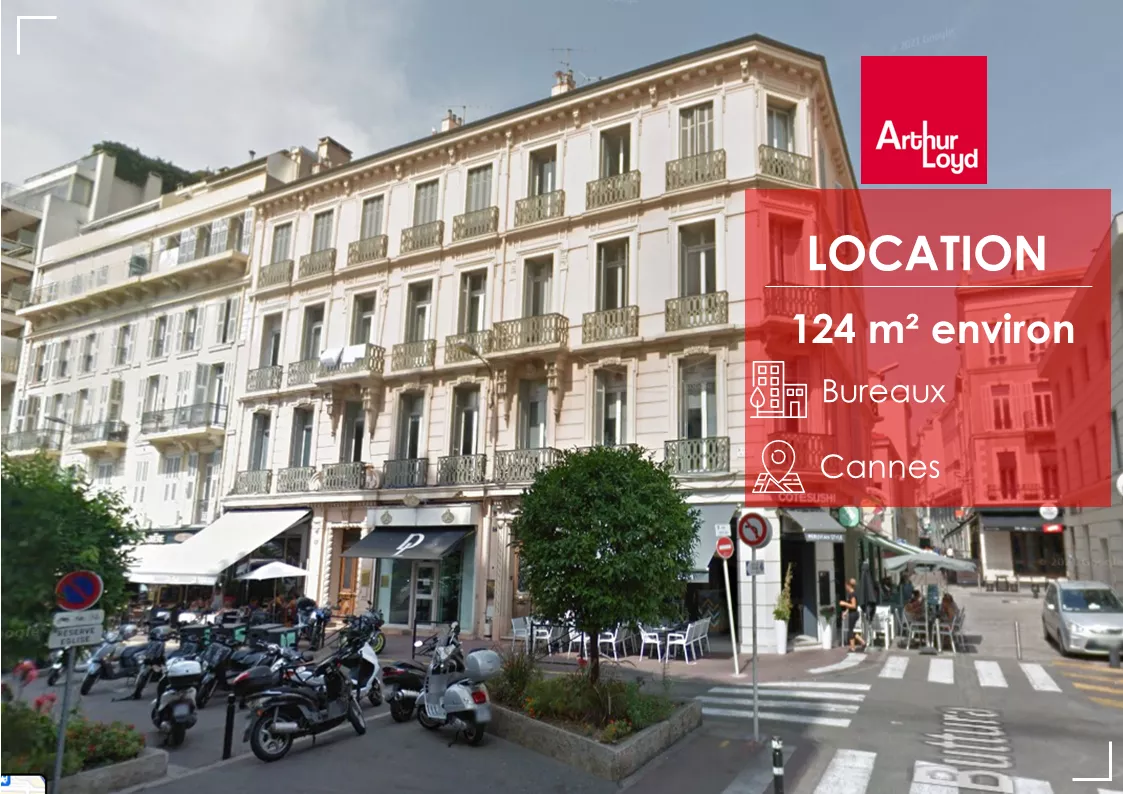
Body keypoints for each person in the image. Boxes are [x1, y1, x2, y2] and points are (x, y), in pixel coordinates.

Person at [839, 578, 866, 652]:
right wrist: (846, 612)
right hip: (852, 613)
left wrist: (844, 603)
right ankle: (861, 642)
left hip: (853, 614)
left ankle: (853, 647)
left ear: (848, 585)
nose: (845, 587)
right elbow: (851, 606)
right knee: (851, 631)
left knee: (850, 631)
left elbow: (854, 606)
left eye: (845, 586)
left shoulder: (852, 594)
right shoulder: (851, 594)